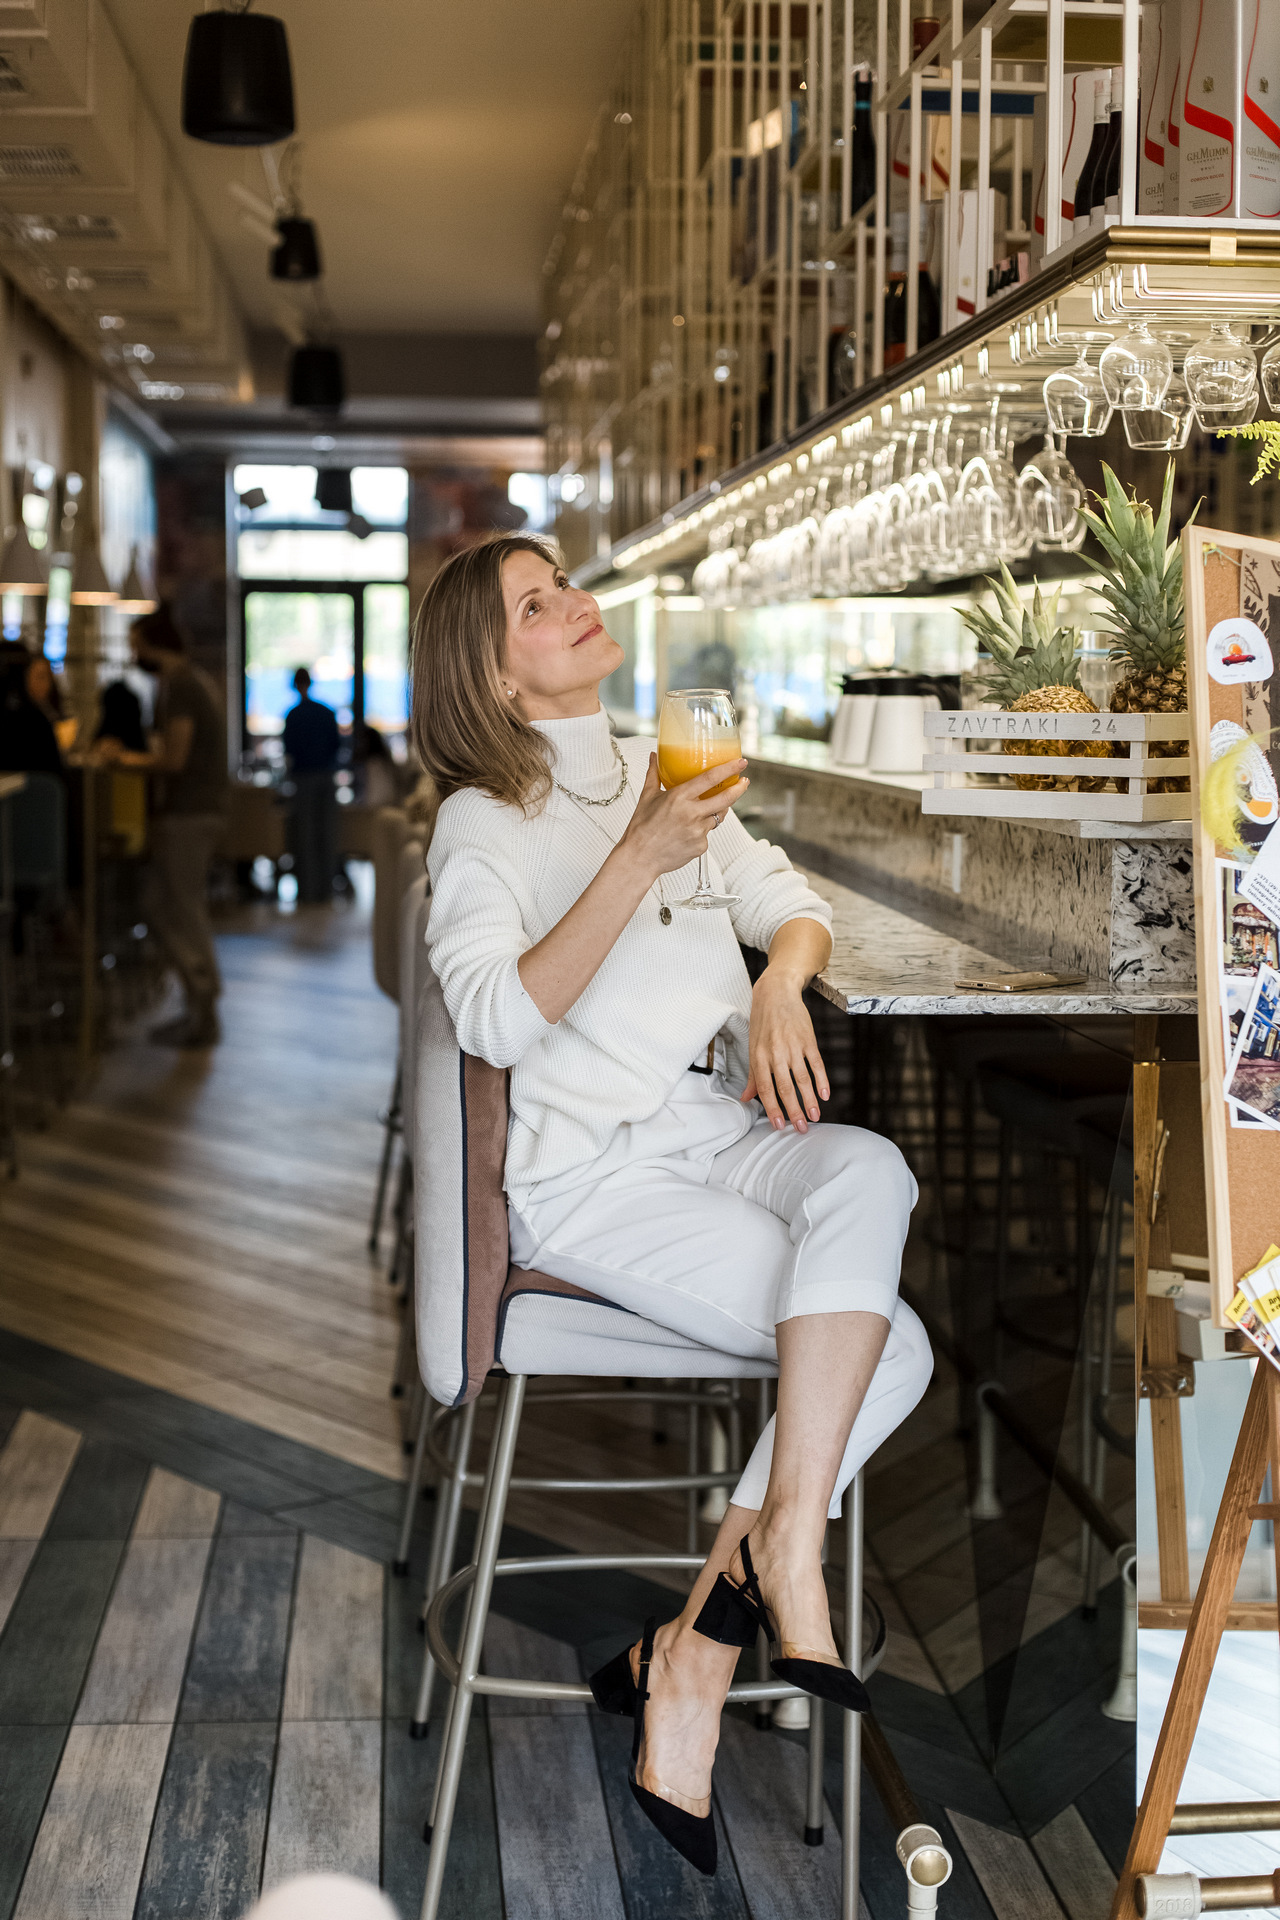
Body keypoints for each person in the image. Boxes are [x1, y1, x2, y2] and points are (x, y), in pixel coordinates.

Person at [414, 534, 932, 1876]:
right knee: (901, 1345)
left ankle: (705, 1633)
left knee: (874, 1168)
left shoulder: (667, 762)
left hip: (714, 1130)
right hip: (592, 1180)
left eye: (564, 582)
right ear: (489, 671)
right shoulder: (481, 820)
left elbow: (788, 904)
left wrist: (775, 982)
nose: (576, 604)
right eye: (537, 606)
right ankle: (734, 1620)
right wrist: (639, 857)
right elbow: (489, 1013)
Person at [98, 604, 229, 1047]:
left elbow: (175, 759)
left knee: (181, 908)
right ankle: (196, 1000)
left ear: (155, 645)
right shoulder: (186, 684)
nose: (134, 655)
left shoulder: (184, 688)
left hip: (189, 813)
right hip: (194, 812)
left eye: (137, 646)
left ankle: (203, 1005)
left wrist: (124, 759)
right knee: (161, 903)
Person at [282, 666, 340, 904]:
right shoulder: (326, 713)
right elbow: (337, 745)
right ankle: (326, 890)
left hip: (304, 778)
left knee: (305, 834)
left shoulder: (293, 715)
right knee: (327, 833)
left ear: (295, 685)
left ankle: (306, 891)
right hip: (326, 776)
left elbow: (289, 750)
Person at [0, 647, 63, 775]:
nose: (46, 684)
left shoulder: (49, 714)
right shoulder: (30, 721)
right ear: (24, 678)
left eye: (48, 677)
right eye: (40, 677)